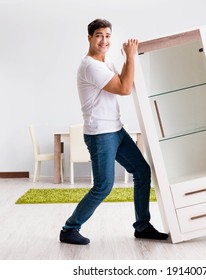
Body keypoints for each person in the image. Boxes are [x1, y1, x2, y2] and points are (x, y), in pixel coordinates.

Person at [59, 19, 169, 245]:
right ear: (89, 38)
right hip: (101, 134)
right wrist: (130, 56)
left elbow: (124, 80)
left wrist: (130, 57)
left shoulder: (105, 62)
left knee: (142, 171)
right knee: (104, 186)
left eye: (108, 36)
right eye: (99, 35)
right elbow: (125, 88)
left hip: (116, 130)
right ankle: (69, 229)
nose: (104, 40)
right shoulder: (91, 66)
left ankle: (142, 226)